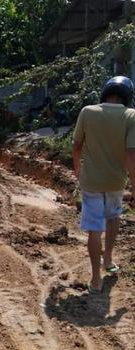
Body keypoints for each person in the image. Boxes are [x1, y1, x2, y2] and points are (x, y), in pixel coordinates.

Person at [72, 76, 135, 294]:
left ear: (105, 92)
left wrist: (77, 170)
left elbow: (77, 145)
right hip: (116, 181)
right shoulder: (130, 116)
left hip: (91, 182)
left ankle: (96, 279)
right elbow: (130, 154)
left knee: (94, 229)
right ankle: (108, 259)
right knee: (113, 217)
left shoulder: (87, 111)